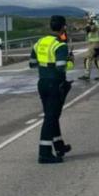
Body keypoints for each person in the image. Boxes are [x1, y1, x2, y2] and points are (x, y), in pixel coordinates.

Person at [29, 15, 74, 164]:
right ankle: (44, 153)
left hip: (42, 82)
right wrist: (70, 62)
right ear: (63, 27)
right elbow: (61, 67)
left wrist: (45, 66)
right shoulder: (60, 45)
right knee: (50, 118)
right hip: (55, 84)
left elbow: (32, 64)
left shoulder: (39, 42)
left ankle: (59, 146)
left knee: (52, 116)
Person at [80, 15, 99, 81]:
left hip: (94, 43)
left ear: (91, 18)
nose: (87, 19)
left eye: (88, 18)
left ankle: (87, 75)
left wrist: (88, 24)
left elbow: (90, 29)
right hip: (98, 43)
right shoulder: (97, 23)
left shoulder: (94, 23)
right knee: (98, 59)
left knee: (87, 58)